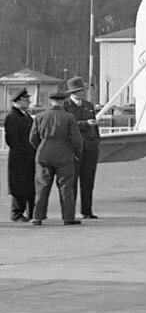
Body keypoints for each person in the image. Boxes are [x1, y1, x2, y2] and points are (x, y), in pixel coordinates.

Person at [30, 90, 83, 226]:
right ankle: (68, 217)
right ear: (63, 101)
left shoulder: (40, 116)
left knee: (42, 187)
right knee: (66, 187)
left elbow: (32, 138)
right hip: (64, 154)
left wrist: (41, 146)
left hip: (44, 153)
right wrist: (77, 152)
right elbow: (77, 139)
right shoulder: (69, 117)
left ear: (50, 101)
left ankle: (38, 217)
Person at [63, 76, 100, 219]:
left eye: (82, 90)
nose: (82, 93)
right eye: (79, 90)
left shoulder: (89, 105)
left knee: (88, 180)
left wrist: (96, 140)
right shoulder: (66, 106)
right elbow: (67, 125)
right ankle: (70, 211)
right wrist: (85, 124)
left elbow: (95, 126)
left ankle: (87, 210)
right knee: (72, 181)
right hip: (74, 148)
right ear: (72, 92)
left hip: (90, 147)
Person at [5, 89, 37, 222]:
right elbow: (12, 139)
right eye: (26, 99)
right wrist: (24, 153)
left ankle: (31, 213)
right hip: (19, 158)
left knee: (30, 185)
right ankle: (17, 213)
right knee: (20, 186)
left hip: (29, 157)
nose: (29, 102)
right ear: (18, 101)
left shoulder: (26, 116)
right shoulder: (12, 117)